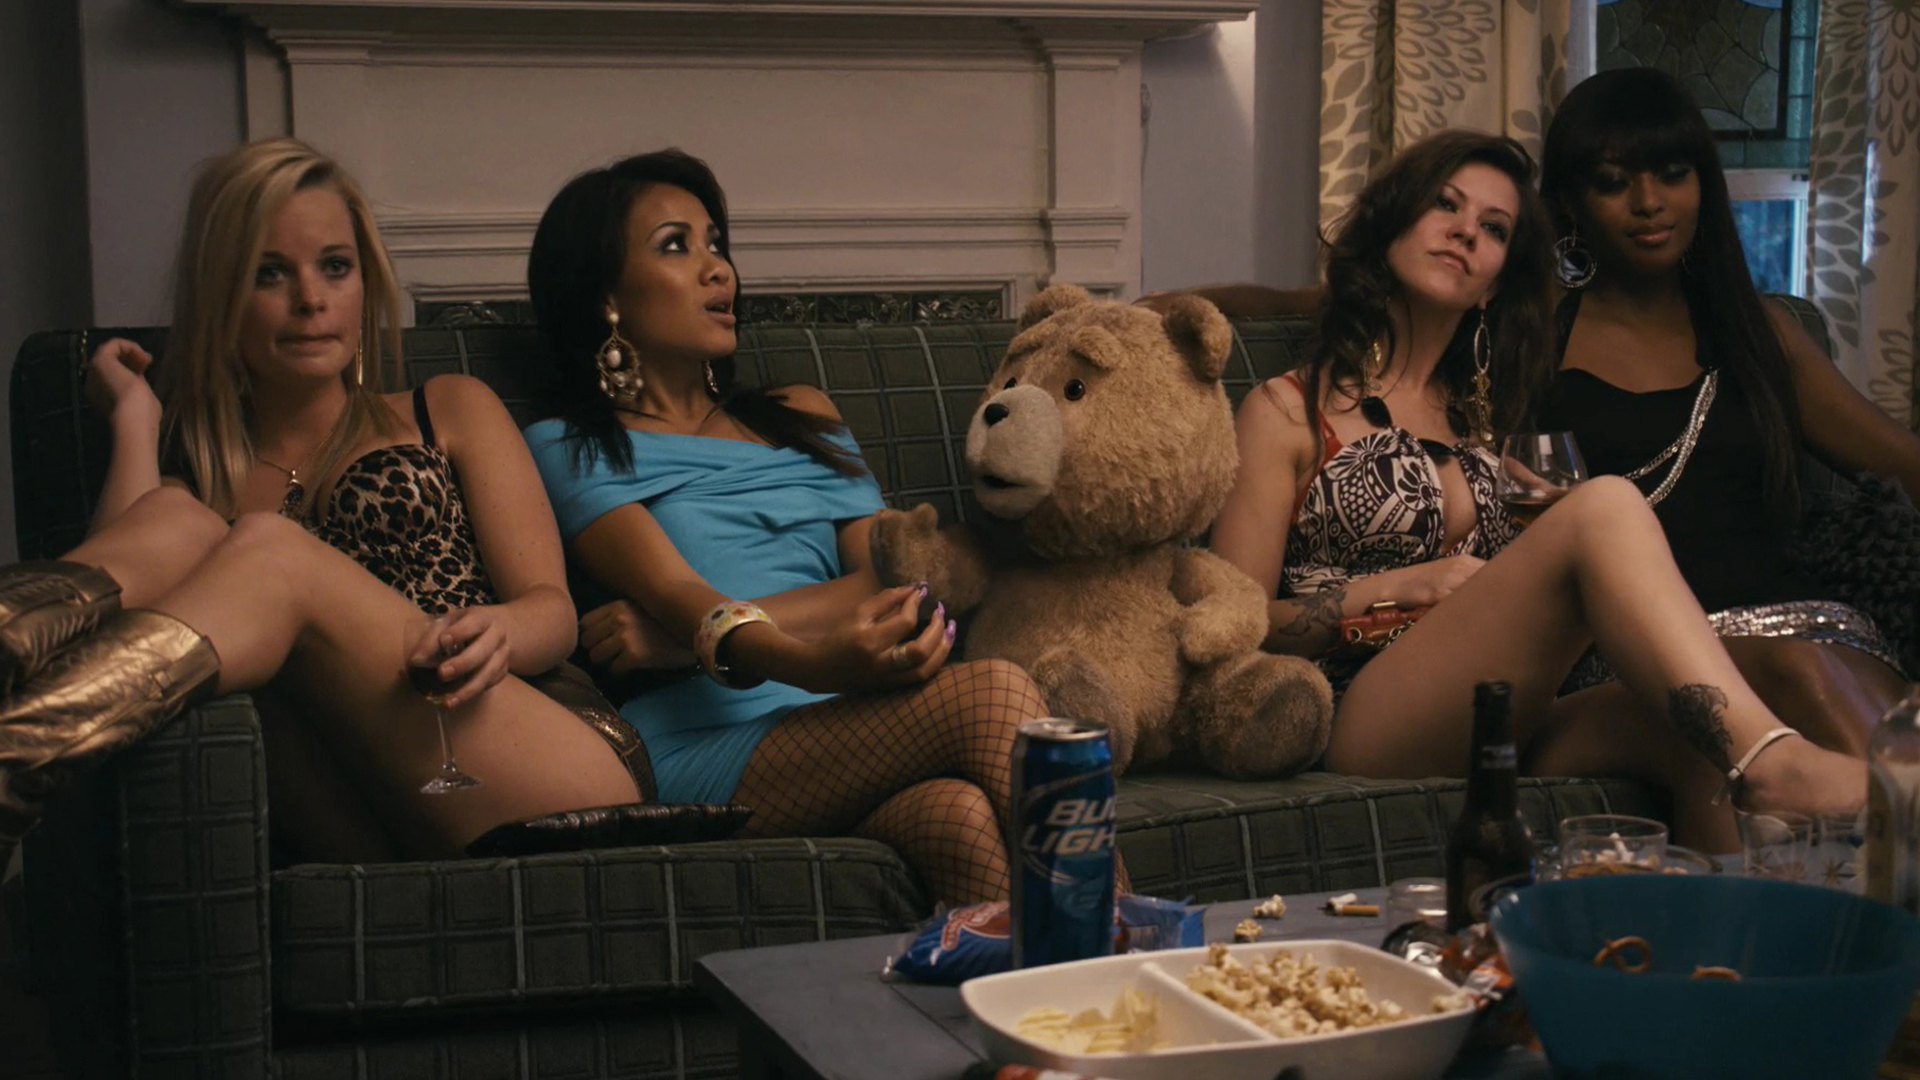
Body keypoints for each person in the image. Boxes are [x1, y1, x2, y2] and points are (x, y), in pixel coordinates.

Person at [1205, 130, 1864, 850]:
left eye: (1493, 229)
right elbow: (1235, 627)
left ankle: (1731, 916)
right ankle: (1778, 764)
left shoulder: (1490, 422)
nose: (1466, 232)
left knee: (1694, 729)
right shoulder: (1286, 411)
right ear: (1392, 223)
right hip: (1360, 705)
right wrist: (1395, 588)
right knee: (1607, 502)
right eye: (1444, 205)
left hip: (1510, 702)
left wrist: (1545, 541)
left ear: (1493, 284)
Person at [0, 137, 648, 868]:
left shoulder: (447, 406)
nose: (310, 299)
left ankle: (16, 754)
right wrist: (135, 419)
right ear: (221, 297)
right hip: (359, 813)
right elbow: (111, 604)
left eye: (334, 267)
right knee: (180, 522)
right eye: (269, 273)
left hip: (539, 759)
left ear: (364, 281)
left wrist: (501, 631)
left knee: (268, 547)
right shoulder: (201, 482)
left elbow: (553, 612)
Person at [519, 149, 1054, 906]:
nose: (718, 269)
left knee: (957, 820)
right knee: (995, 690)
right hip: (702, 741)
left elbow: (892, 578)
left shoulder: (802, 414)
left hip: (846, 720)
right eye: (676, 246)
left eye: (715, 244)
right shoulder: (571, 446)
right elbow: (680, 595)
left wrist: (683, 642)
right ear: (606, 295)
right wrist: (812, 661)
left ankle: (1053, 984)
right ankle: (1142, 960)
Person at [1538, 66, 1920, 757]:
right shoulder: (1534, 339)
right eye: (1615, 183)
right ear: (1570, 201)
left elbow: (1904, 464)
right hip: (1638, 654)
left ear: (1703, 185)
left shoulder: (1759, 333)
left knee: (1844, 690)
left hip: (1809, 627)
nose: (1649, 203)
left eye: (1673, 175)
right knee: (1800, 672)